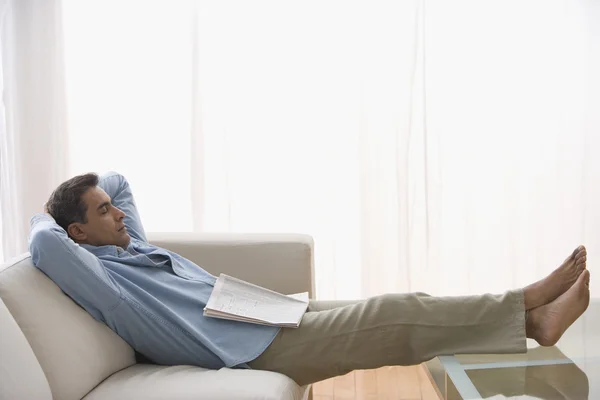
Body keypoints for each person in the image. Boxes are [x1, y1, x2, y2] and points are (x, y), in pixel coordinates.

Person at [28, 171, 591, 386]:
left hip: (257, 313)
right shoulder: (103, 278)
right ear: (76, 233)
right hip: (249, 349)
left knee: (390, 302)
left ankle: (526, 314)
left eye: (111, 208)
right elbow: (43, 242)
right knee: (393, 315)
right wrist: (49, 215)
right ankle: (528, 310)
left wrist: (93, 201)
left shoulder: (129, 246)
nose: (119, 213)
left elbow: (118, 182)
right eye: (102, 212)